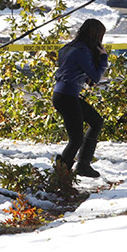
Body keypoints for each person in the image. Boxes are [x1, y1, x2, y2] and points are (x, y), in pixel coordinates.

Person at [52, 18, 109, 178]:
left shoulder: (68, 48)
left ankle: (82, 165)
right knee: (76, 139)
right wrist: (103, 57)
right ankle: (61, 174)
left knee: (96, 121)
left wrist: (85, 78)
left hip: (63, 94)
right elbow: (96, 77)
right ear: (95, 36)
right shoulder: (82, 51)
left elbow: (70, 69)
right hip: (67, 96)